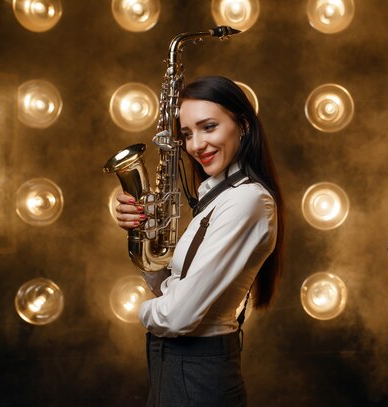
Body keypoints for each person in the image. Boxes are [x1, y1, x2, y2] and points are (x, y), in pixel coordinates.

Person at [114, 75, 284, 407]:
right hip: (178, 366)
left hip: (197, 373)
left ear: (243, 125)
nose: (195, 145)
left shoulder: (246, 201)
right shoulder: (216, 197)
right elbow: (172, 288)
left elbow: (178, 317)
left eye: (209, 127)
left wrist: (144, 313)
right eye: (188, 134)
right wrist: (143, 232)